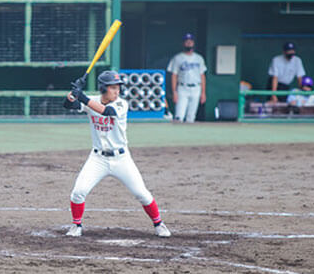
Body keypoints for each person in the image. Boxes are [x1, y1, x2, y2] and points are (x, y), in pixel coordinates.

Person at [64, 70, 171, 238]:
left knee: (142, 194)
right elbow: (69, 106)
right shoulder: (93, 100)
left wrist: (82, 96)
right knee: (78, 192)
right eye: (112, 88)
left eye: (118, 87)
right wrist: (72, 95)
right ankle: (76, 225)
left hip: (121, 159)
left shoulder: (121, 104)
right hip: (97, 158)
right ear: (103, 89)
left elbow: (106, 112)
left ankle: (159, 224)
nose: (117, 91)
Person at [166, 33, 207, 123]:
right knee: (179, 115)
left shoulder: (199, 58)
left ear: (193, 43)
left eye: (190, 41)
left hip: (196, 87)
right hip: (182, 87)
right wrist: (174, 92)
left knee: (191, 117)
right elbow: (174, 76)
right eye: (187, 41)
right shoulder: (178, 58)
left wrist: (203, 93)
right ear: (183, 43)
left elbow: (202, 76)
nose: (189, 43)